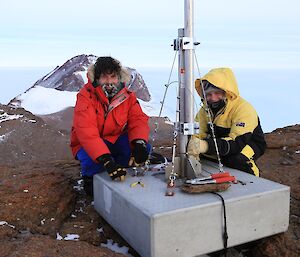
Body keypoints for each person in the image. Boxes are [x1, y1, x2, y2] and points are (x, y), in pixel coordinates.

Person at [70, 56, 150, 195]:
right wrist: (106, 159)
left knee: (143, 148)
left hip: (114, 139)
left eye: (113, 77)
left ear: (119, 78)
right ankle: (90, 179)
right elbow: (86, 132)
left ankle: (120, 166)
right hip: (87, 143)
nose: (109, 82)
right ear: (96, 78)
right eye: (104, 77)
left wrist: (140, 142)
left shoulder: (128, 96)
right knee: (92, 160)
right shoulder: (85, 96)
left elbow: (138, 119)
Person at [187, 68, 266, 176]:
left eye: (217, 93)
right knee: (205, 156)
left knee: (237, 160)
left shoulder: (243, 109)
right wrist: (193, 145)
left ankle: (254, 182)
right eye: (209, 94)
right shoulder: (205, 110)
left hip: (248, 143)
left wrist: (205, 145)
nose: (213, 98)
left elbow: (236, 142)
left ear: (226, 92)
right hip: (221, 142)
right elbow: (197, 132)